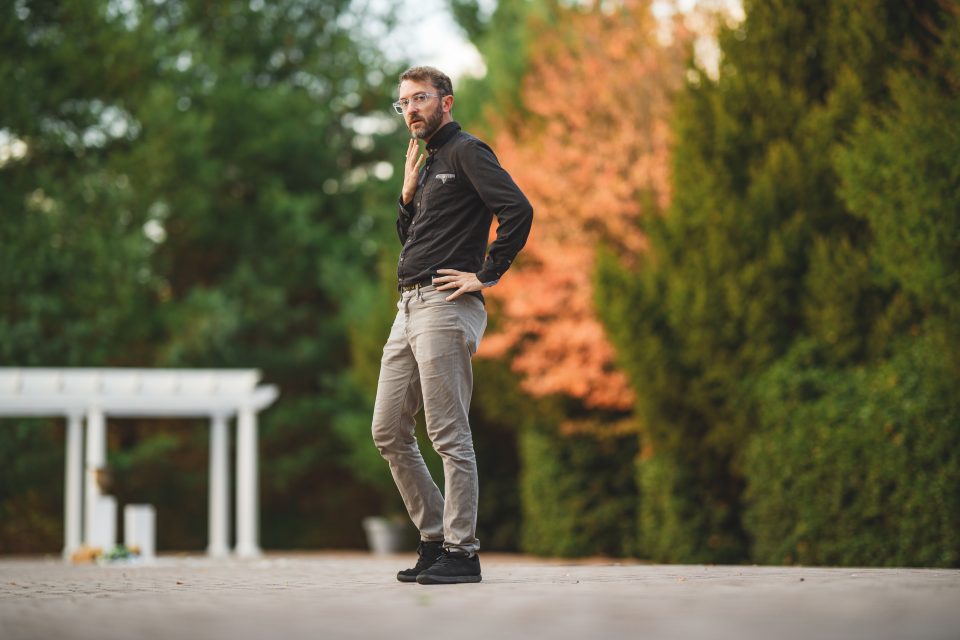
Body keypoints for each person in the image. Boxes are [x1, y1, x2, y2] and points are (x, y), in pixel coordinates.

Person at [371, 66, 533, 585]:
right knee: (388, 429)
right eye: (403, 102)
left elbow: (517, 210)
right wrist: (406, 194)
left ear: (446, 102)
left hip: (444, 304)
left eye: (420, 98)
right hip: (408, 307)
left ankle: (462, 554)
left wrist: (485, 275)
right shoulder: (428, 162)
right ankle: (436, 539)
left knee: (448, 434)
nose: (411, 108)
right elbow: (414, 239)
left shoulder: (467, 151)